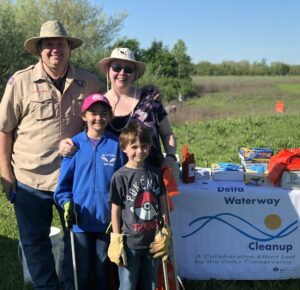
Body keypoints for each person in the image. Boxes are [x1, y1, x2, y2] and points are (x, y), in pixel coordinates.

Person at [0, 20, 104, 290]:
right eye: (49, 45)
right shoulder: (21, 82)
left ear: (70, 48)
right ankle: (47, 287)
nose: (55, 49)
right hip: (29, 179)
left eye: (60, 44)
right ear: (39, 50)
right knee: (35, 242)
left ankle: (71, 286)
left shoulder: (89, 82)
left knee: (76, 240)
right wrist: (6, 174)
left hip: (74, 181)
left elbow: (102, 124)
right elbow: (4, 130)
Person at [54, 93, 125, 290]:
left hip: (107, 222)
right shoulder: (74, 146)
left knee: (103, 270)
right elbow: (63, 188)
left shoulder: (117, 145)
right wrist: (67, 204)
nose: (98, 118)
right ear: (84, 116)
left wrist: (121, 211)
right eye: (93, 113)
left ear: (110, 117)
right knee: (81, 273)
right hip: (80, 223)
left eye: (104, 113)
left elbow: (124, 183)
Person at [108, 121, 171, 290]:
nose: (139, 151)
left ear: (149, 148)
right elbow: (115, 209)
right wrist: (116, 238)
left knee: (150, 284)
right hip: (129, 243)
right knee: (127, 284)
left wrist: (165, 230)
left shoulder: (155, 174)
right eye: (134, 146)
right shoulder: (119, 177)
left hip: (153, 242)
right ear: (124, 148)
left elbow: (163, 205)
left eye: (144, 146)